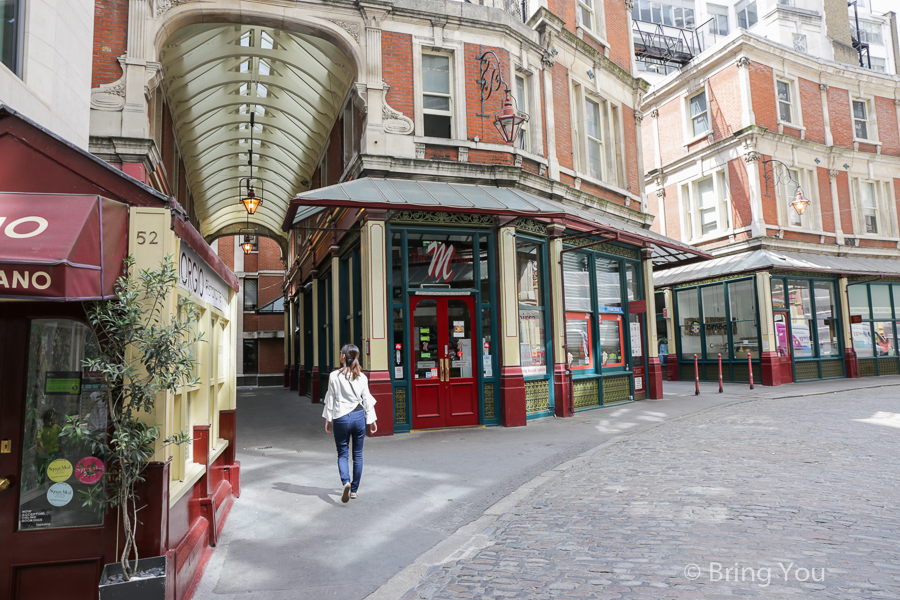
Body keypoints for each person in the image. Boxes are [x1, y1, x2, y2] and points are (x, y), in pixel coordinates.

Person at [323, 344, 377, 503]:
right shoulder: (362, 377)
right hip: (359, 416)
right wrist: (372, 420)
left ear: (342, 357)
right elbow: (367, 398)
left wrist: (328, 419)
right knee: (358, 455)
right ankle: (354, 490)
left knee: (342, 453)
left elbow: (330, 398)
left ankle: (346, 481)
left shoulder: (334, 376)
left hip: (341, 417)